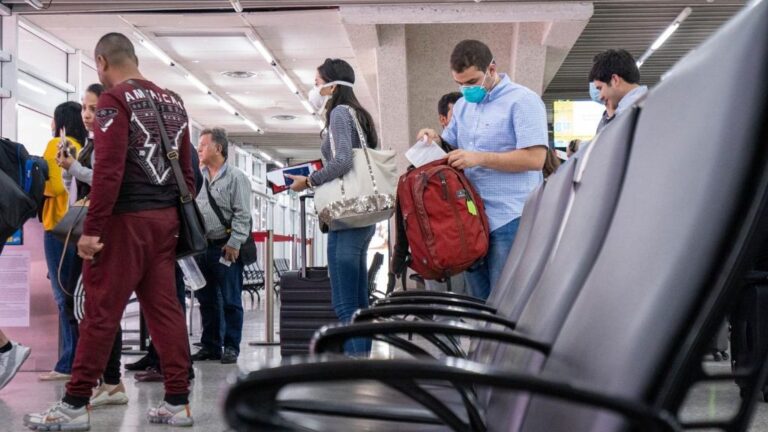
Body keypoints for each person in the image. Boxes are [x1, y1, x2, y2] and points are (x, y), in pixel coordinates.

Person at [24, 32, 195, 430]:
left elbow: (109, 173)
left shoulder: (113, 102)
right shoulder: (174, 101)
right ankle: (177, 400)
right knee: (164, 309)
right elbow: (186, 171)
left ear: (101, 62)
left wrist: (92, 230)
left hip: (124, 222)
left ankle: (74, 402)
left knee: (99, 310)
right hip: (166, 220)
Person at [417, 40, 548, 301]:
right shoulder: (464, 106)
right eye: (460, 83)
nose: (467, 89)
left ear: (491, 69)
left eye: (473, 81)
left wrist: (479, 158)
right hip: (471, 218)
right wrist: (433, 137)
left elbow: (535, 159)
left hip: (511, 216)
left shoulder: (523, 101)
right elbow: (450, 144)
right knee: (478, 304)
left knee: (505, 304)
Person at [287, 58, 379, 356]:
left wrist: (309, 180)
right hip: (362, 216)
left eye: (317, 84)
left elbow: (342, 162)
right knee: (359, 301)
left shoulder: (340, 112)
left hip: (346, 218)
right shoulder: (360, 115)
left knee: (345, 303)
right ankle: (361, 362)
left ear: (333, 85)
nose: (314, 90)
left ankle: (355, 366)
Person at [57, 83, 129, 407]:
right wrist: (68, 169)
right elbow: (79, 184)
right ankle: (109, 380)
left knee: (99, 309)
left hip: (105, 234)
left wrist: (74, 168)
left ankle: (109, 380)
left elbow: (103, 178)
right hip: (92, 232)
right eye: (84, 108)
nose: (87, 115)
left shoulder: (109, 141)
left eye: (93, 108)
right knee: (93, 308)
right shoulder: (91, 142)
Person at [190, 127, 251, 365]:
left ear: (218, 148)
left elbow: (243, 214)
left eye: (203, 145)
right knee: (207, 300)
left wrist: (235, 242)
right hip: (202, 248)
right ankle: (210, 346)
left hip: (226, 248)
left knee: (230, 300)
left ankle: (231, 346)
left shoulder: (236, 177)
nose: (199, 149)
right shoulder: (198, 177)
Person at [39, 101, 86, 382]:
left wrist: (34, 185)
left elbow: (54, 186)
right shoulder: (85, 147)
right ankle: (77, 359)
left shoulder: (58, 143)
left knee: (62, 297)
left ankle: (69, 362)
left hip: (58, 227)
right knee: (76, 296)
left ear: (61, 121)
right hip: (79, 227)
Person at [589, 49, 648, 134]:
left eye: (600, 88)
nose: (600, 96)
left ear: (615, 80)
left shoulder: (629, 116)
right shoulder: (647, 105)